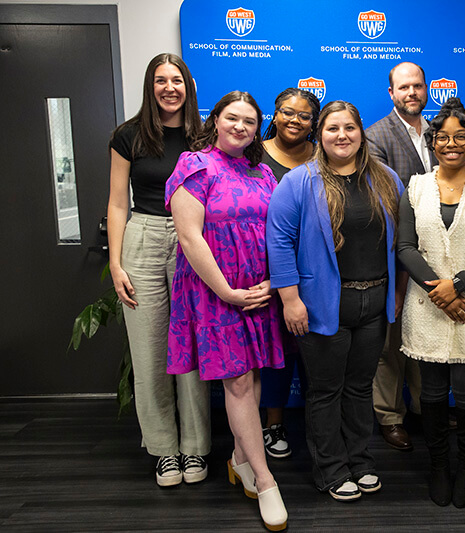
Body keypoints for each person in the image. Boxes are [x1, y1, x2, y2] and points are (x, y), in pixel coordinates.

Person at [267, 100, 404, 502]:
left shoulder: (386, 179)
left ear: (361, 133)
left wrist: (394, 294)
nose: (341, 136)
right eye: (332, 129)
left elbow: (398, 244)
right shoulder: (299, 181)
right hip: (322, 305)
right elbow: (278, 242)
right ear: (319, 135)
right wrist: (290, 300)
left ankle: (360, 461)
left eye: (349, 128)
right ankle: (331, 469)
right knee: (325, 390)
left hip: (374, 303)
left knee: (360, 388)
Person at [165, 91, 288, 530]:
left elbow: (278, 231)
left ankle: (240, 458)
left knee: (252, 375)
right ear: (215, 120)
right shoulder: (194, 165)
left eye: (250, 122)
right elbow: (190, 238)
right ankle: (266, 479)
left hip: (259, 290)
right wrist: (228, 293)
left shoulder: (261, 172)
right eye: (232, 118)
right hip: (217, 292)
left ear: (258, 128)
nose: (240, 127)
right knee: (237, 380)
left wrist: (274, 281)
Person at [106, 53, 210, 487]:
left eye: (177, 80)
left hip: (195, 240)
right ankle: (165, 449)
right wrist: (115, 263)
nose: (170, 87)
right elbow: (116, 202)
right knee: (149, 349)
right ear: (151, 87)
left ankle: (196, 448)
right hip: (144, 238)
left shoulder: (204, 136)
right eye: (160, 80)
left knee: (190, 347)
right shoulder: (128, 135)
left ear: (188, 86)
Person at [398, 97, 465, 508]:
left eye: (460, 136)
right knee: (430, 393)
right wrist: (438, 291)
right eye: (443, 137)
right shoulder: (415, 186)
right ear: (432, 142)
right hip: (427, 304)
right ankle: (439, 466)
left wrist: (457, 285)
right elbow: (405, 246)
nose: (451, 143)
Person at [365, 61, 436, 451]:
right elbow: (387, 199)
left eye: (418, 86)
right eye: (403, 87)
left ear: (426, 90)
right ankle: (390, 416)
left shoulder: (441, 130)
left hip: (441, 255)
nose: (412, 93)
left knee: (427, 334)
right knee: (392, 341)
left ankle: (428, 408)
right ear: (391, 93)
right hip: (395, 253)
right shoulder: (376, 136)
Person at [258, 88, 321, 460]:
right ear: (275, 114)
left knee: (316, 352)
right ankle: (273, 424)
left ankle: (320, 425)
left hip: (317, 271)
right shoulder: (255, 154)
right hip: (267, 268)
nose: (294, 121)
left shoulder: (323, 155)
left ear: (314, 123)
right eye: (287, 112)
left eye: (303, 116)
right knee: (275, 353)